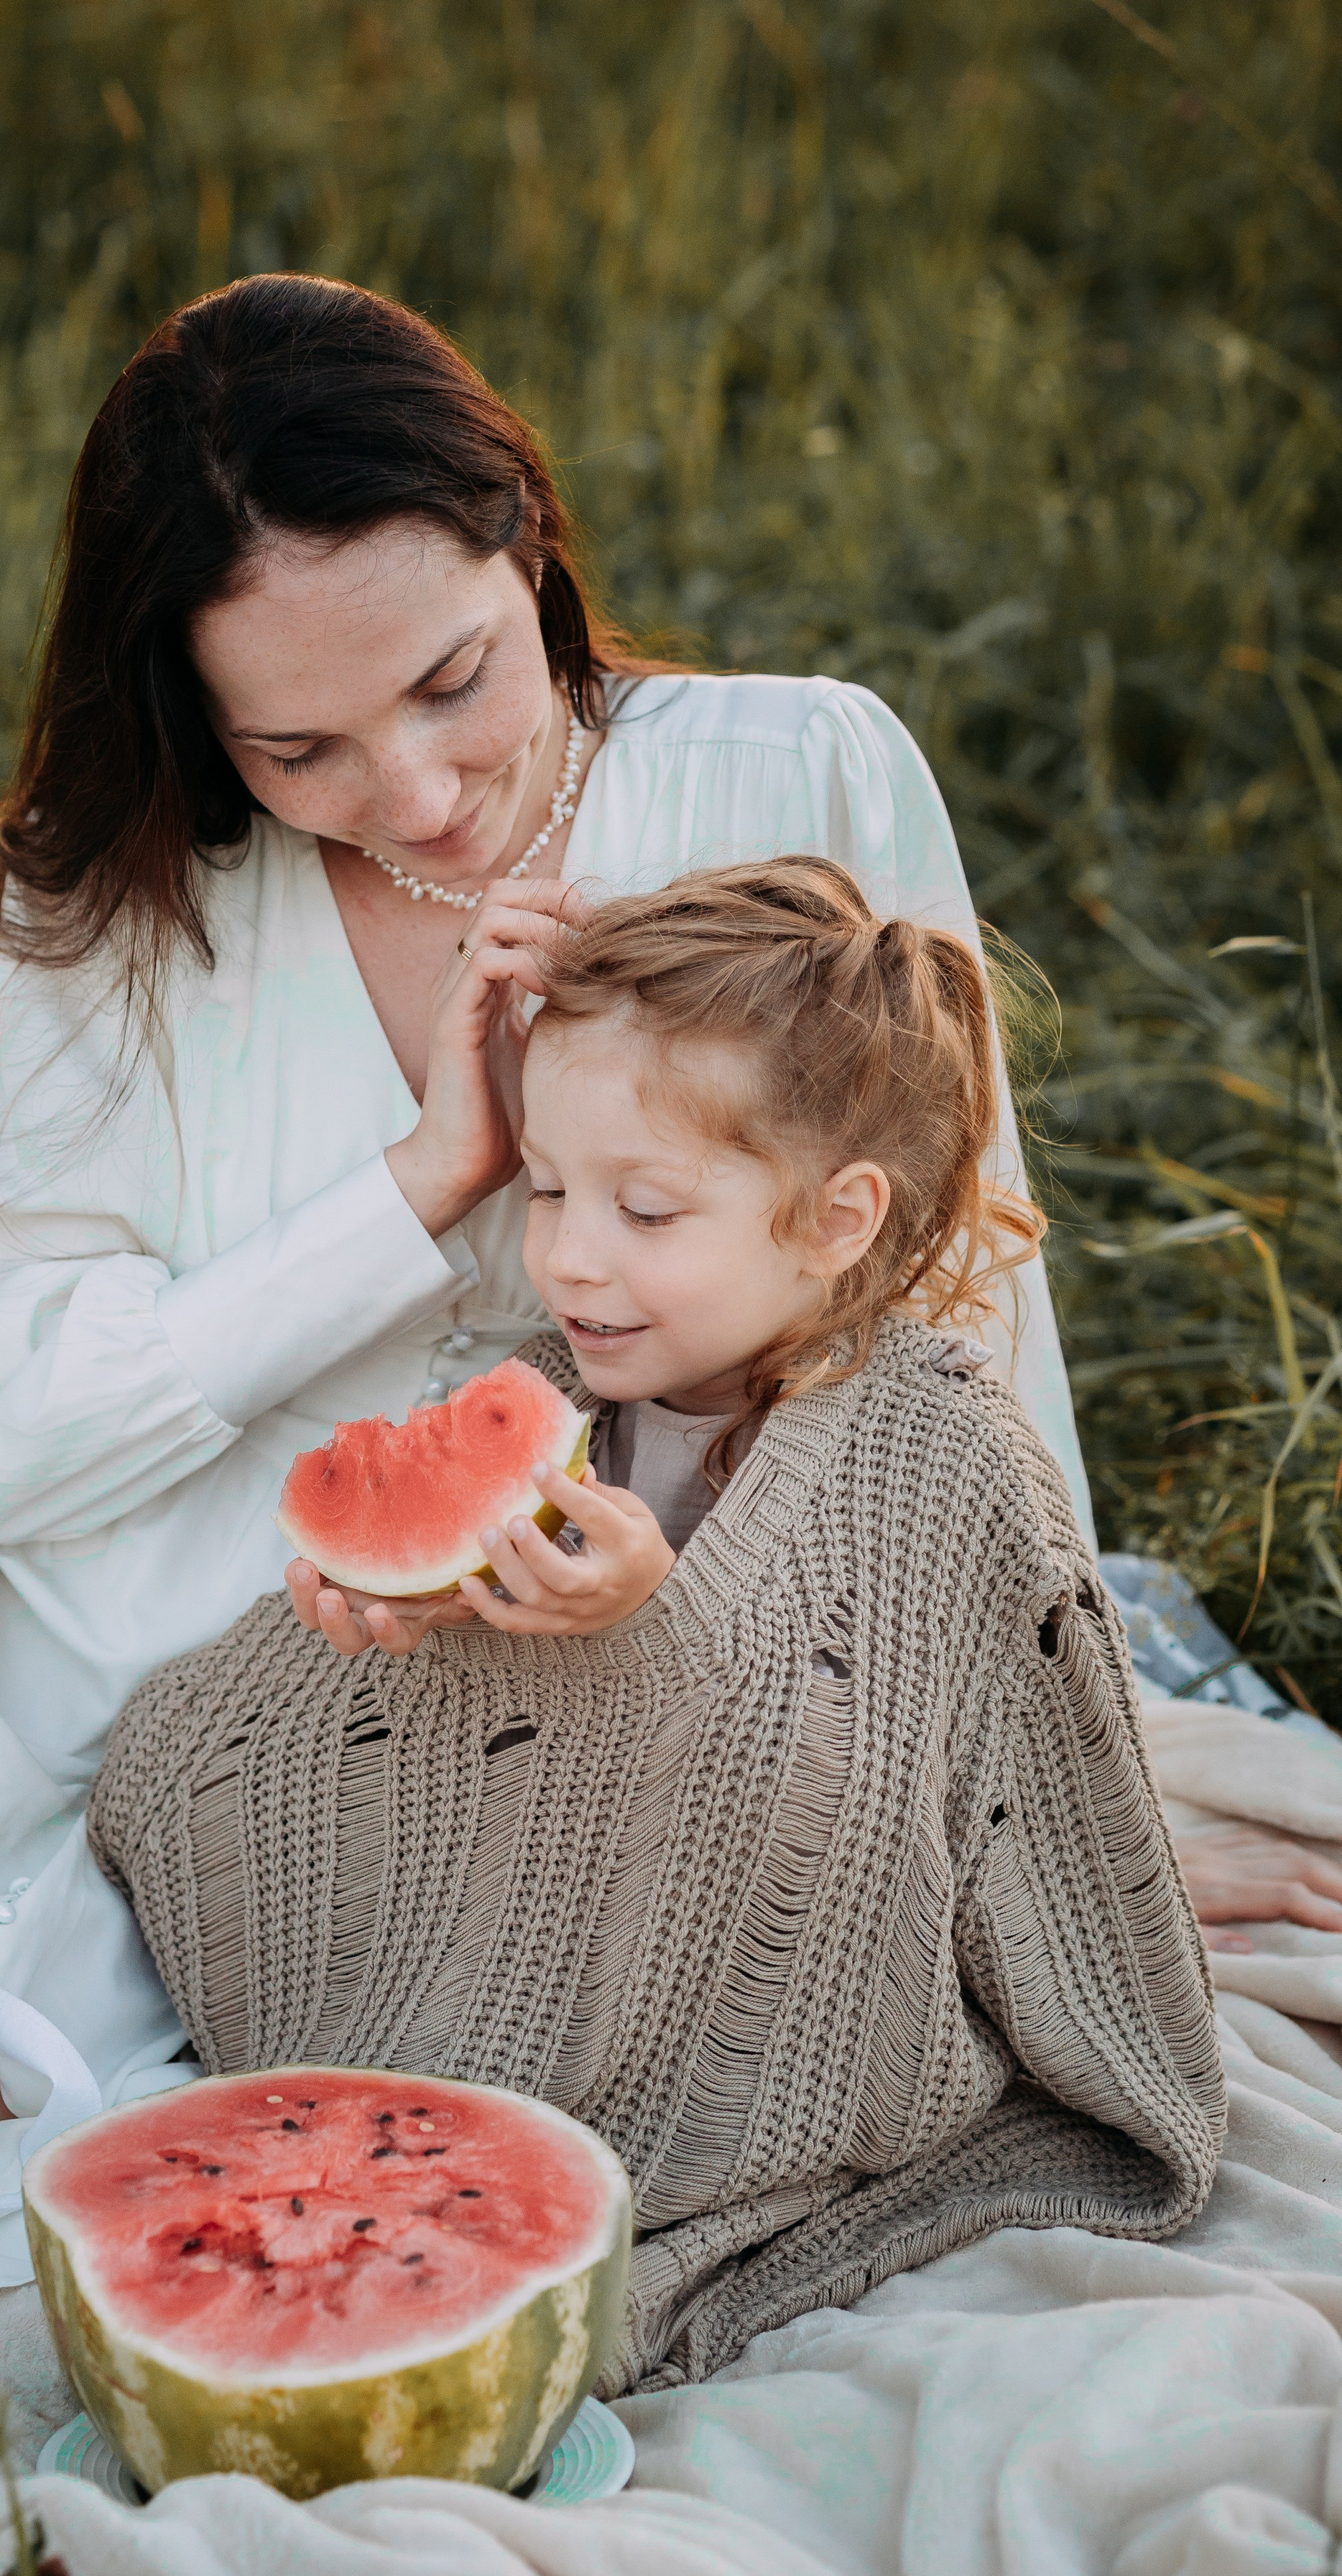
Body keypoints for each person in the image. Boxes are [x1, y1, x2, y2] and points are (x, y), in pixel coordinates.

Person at [0, 272, 1264, 2302]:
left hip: (334, 1700)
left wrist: (1032, 1777)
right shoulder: (137, 886)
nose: (419, 795)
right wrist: (429, 1176)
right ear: (193, 715)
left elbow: (951, 1306)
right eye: (302, 746)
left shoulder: (804, 776)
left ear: (528, 542)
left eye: (453, 682)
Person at [88, 857, 1225, 2389]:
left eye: (644, 1208)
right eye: (547, 1189)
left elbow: (875, 1799)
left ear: (834, 1221)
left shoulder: (939, 1455)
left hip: (771, 2034)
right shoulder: (554, 1395)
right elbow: (419, 1749)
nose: (567, 1257)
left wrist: (650, 1628)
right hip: (500, 1972)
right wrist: (381, 1631)